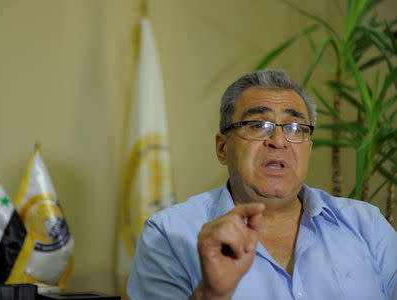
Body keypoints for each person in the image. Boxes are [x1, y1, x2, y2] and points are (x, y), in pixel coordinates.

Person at [126, 70, 397, 300]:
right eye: (258, 125)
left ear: (309, 149)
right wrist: (211, 293)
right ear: (222, 148)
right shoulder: (168, 235)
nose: (278, 141)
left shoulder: (367, 225)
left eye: (294, 128)